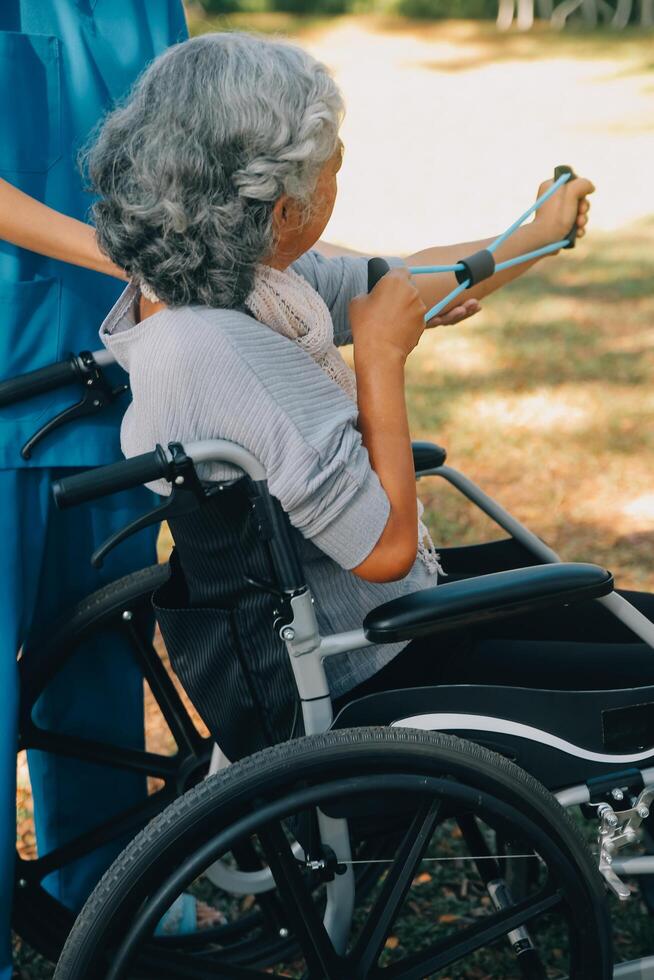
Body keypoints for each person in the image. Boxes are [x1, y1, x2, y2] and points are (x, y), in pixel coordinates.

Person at [86, 31, 652, 763]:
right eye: (330, 170)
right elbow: (384, 550)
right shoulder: (226, 355)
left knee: (625, 622)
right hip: (374, 665)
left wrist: (537, 235)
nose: (337, 176)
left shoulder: (211, 288)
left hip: (353, 633)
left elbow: (396, 282)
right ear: (282, 209)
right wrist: (382, 357)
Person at [0, 3, 201, 975]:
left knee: (100, 679)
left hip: (114, 396)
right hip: (13, 375)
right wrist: (128, 256)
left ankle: (107, 912)